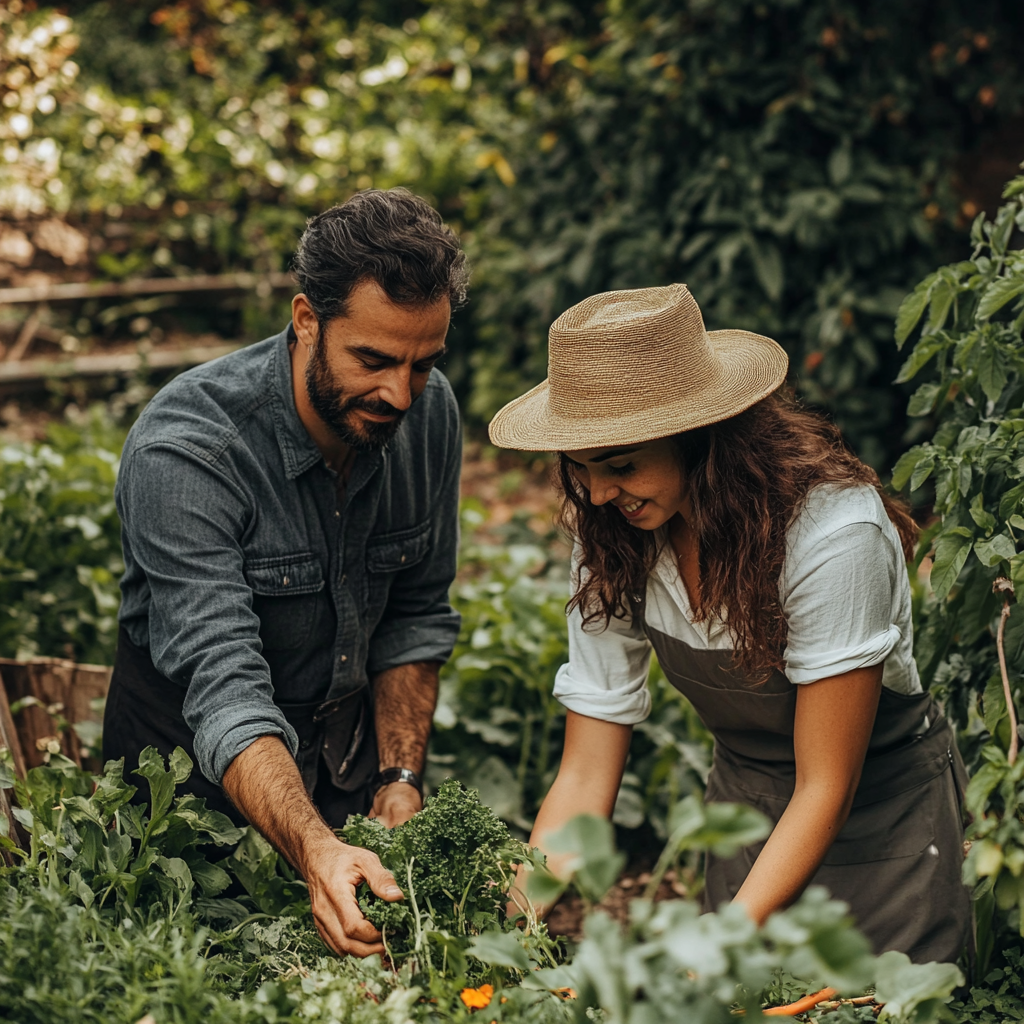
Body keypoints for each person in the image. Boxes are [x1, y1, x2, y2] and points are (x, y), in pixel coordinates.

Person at [489, 283, 971, 963]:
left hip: (879, 827)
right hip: (748, 817)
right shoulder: (613, 531)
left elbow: (827, 786)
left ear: (699, 437)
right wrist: (508, 925)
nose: (596, 493)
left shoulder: (833, 534)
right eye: (581, 468)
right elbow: (586, 773)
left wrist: (713, 944)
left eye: (620, 465)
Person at [104, 188, 467, 957]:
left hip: (340, 767)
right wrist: (314, 849)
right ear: (307, 320)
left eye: (422, 365)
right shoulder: (188, 452)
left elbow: (415, 615)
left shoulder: (429, 419)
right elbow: (224, 686)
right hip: (183, 810)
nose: (399, 394)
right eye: (372, 360)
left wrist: (398, 777)